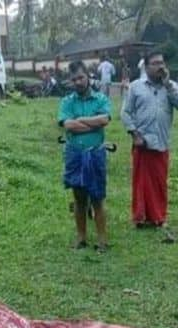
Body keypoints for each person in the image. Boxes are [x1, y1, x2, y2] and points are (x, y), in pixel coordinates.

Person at [121, 52, 178, 227]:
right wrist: (135, 134)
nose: (160, 67)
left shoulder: (171, 86)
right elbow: (126, 113)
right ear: (146, 67)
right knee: (140, 183)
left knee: (159, 183)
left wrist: (168, 86)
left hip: (161, 142)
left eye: (162, 63)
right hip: (142, 143)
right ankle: (140, 217)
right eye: (155, 63)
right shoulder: (136, 87)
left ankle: (158, 217)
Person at [58, 61, 113, 252]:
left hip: (96, 153)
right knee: (79, 198)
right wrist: (91, 124)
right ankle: (81, 238)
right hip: (74, 154)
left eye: (81, 77)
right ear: (70, 82)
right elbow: (68, 125)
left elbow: (104, 119)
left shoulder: (100, 99)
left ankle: (102, 240)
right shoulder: (67, 102)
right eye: (74, 80)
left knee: (97, 198)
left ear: (88, 76)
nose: (78, 82)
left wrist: (79, 120)